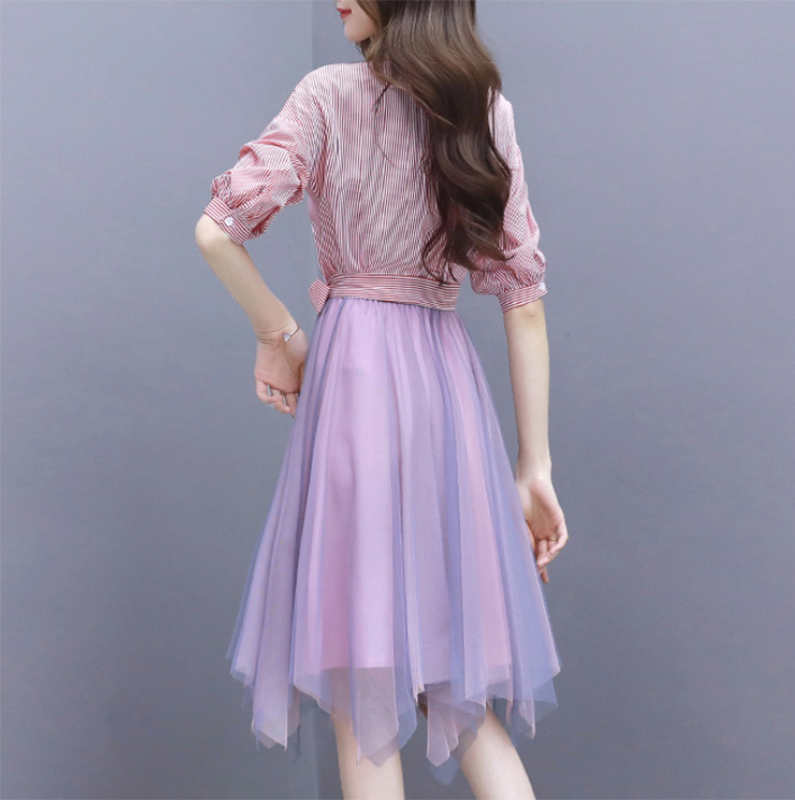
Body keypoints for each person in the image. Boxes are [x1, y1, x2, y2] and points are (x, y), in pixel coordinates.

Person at [195, 1, 569, 797]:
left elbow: (216, 232)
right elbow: (524, 300)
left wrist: (278, 335)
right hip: (445, 394)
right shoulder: (483, 112)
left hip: (356, 385)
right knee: (456, 686)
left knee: (363, 679)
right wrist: (533, 466)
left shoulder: (328, 96)